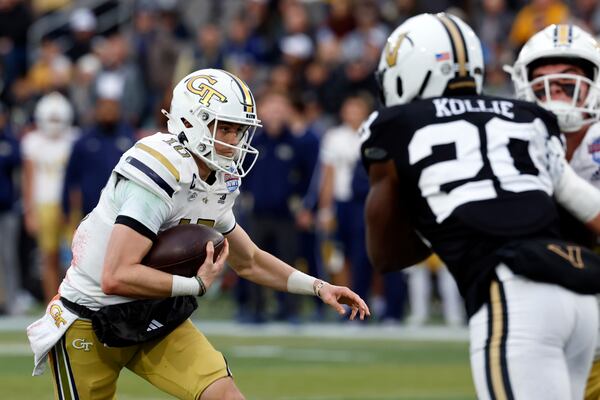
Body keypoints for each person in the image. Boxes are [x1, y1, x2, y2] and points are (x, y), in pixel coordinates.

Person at [27, 68, 369, 400]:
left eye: (240, 131)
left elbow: (248, 261)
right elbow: (115, 276)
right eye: (226, 129)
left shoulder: (217, 179)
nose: (234, 141)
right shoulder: (161, 169)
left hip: (156, 312)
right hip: (92, 318)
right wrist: (195, 286)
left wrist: (319, 287)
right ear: (191, 122)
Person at [361, 13, 600, 400]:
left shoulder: (393, 125)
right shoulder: (529, 120)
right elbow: (584, 204)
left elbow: (384, 255)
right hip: (580, 294)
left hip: (514, 291)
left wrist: (441, 225)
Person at [506, 23, 600, 400]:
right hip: (541, 326)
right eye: (543, 84)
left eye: (567, 83)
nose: (555, 95)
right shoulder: (507, 142)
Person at [21, 92, 79, 304]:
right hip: (42, 204)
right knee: (49, 257)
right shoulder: (31, 141)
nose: (54, 123)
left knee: (77, 257)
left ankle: (74, 301)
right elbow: (28, 180)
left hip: (68, 205)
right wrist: (29, 212)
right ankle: (51, 303)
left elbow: (76, 178)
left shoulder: (74, 139)